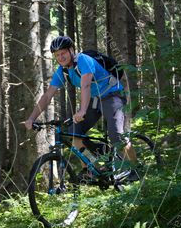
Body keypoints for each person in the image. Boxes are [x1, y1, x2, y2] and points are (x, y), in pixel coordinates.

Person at [23, 35, 138, 179]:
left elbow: (86, 85)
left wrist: (82, 110)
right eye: (57, 55)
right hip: (94, 99)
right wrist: (32, 118)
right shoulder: (63, 71)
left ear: (71, 50)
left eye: (63, 53)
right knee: (74, 133)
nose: (60, 57)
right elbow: (47, 96)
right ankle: (90, 168)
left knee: (116, 134)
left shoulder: (84, 60)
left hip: (112, 94)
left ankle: (136, 169)